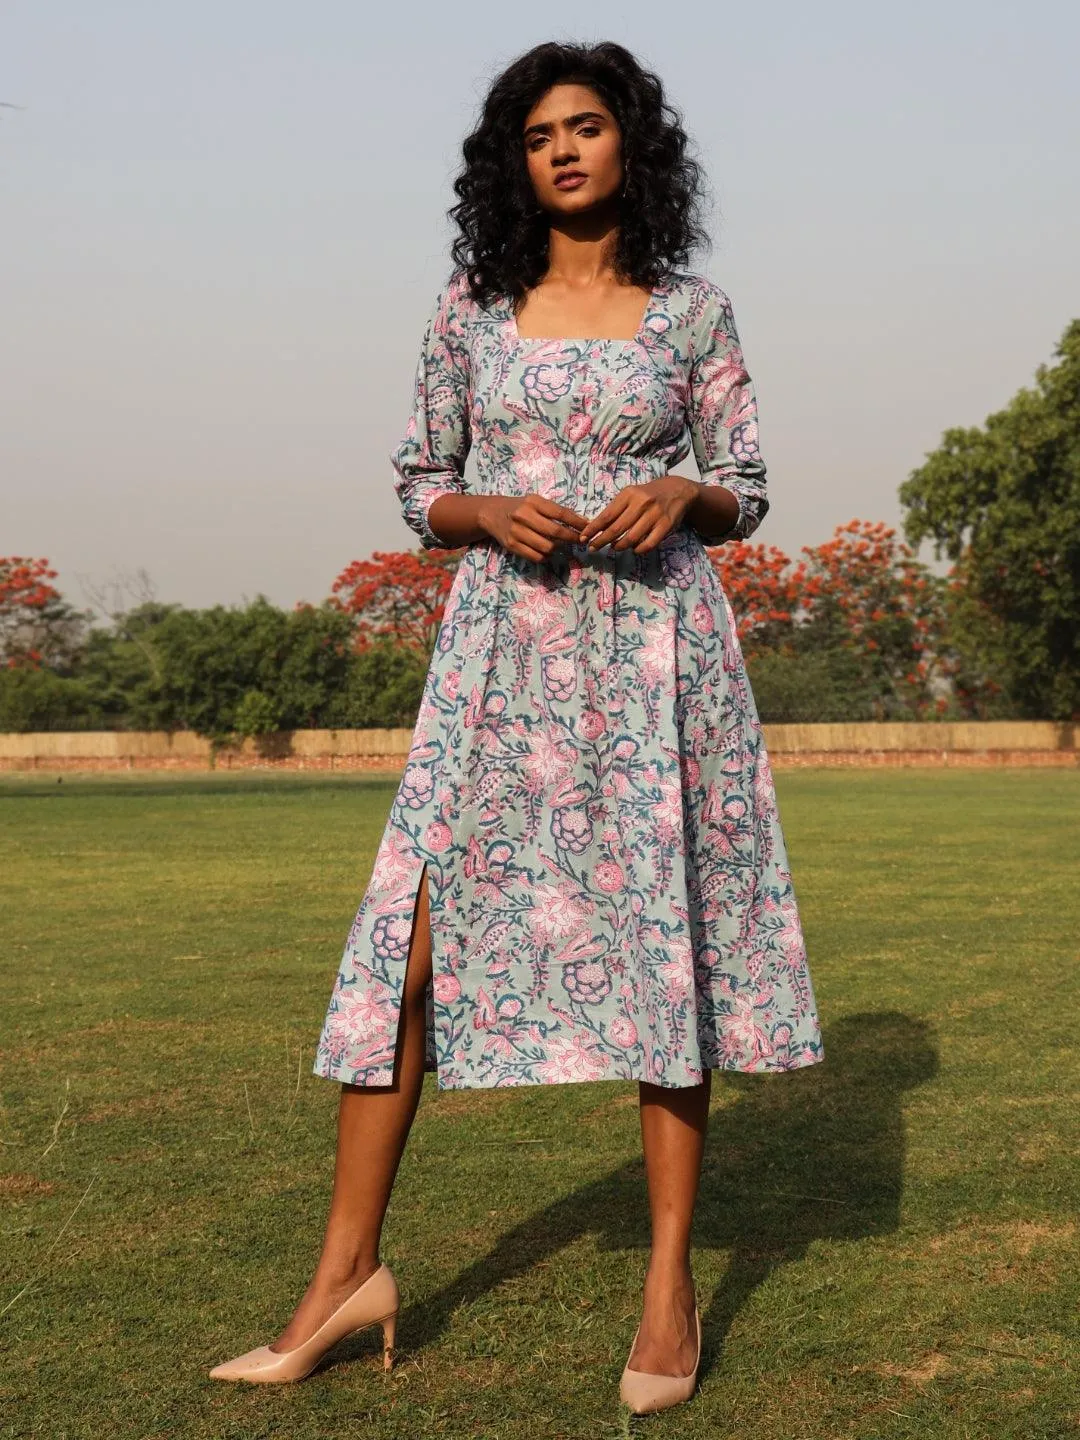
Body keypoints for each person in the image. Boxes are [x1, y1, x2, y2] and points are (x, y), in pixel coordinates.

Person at [209, 38, 824, 1415]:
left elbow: (750, 483)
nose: (563, 148)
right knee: (411, 950)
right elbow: (421, 477)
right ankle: (343, 1276)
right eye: (539, 131)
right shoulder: (470, 311)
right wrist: (485, 513)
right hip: (503, 658)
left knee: (662, 951)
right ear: (515, 160)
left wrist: (685, 496)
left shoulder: (694, 314)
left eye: (588, 125)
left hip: (658, 655)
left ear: (631, 146)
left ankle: (668, 1290)